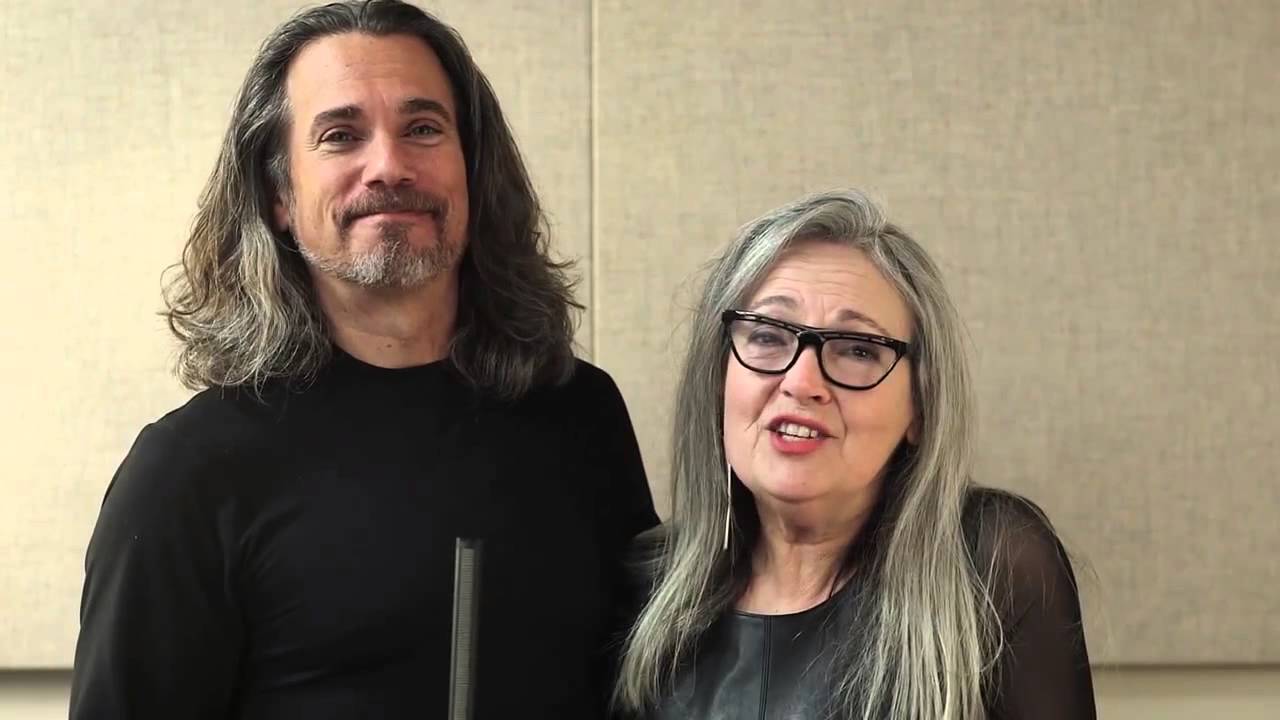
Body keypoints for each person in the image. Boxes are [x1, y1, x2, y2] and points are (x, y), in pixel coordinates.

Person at [70, 1, 658, 718]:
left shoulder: (580, 414)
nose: (388, 166)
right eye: (341, 135)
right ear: (279, 194)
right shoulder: (189, 474)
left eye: (422, 129)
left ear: (471, 168)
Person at [614, 189, 1095, 719]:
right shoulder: (644, 580)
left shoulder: (992, 562)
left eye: (858, 350)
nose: (802, 382)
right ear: (718, 378)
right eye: (769, 337)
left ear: (920, 405)